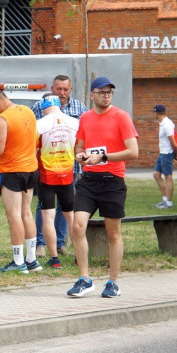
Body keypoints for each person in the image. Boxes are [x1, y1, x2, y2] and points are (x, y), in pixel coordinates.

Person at [67, 77, 139, 299]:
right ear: (92, 95)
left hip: (113, 180)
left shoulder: (121, 117)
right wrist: (80, 154)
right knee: (78, 227)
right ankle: (85, 279)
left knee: (113, 232)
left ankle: (113, 282)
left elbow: (133, 152)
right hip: (89, 180)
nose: (106, 95)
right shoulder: (86, 118)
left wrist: (104, 156)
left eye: (109, 92)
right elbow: (79, 145)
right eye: (102, 92)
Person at [0, 88, 41, 274]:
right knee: (26, 213)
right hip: (30, 169)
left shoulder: (3, 119)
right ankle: (32, 260)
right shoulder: (26, 111)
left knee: (14, 216)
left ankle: (18, 261)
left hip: (13, 171)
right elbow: (23, 137)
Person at [30, 75, 86, 256]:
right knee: (51, 209)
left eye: (66, 89)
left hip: (66, 170)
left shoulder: (79, 108)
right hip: (54, 170)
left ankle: (58, 248)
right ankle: (42, 243)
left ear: (70, 90)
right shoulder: (38, 108)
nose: (62, 92)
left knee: (61, 210)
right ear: (53, 89)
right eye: (59, 89)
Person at [35, 95, 79, 269]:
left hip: (46, 176)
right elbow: (79, 147)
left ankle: (54, 259)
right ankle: (79, 255)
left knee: (48, 216)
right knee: (71, 216)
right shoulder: (74, 123)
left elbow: (34, 149)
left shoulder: (39, 124)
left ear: (44, 107)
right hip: (67, 175)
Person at [152, 104, 177, 209]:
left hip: (167, 153)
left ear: (156, 113)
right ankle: (164, 200)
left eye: (154, 113)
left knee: (168, 177)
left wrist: (176, 154)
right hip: (162, 152)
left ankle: (169, 202)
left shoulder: (167, 124)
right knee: (156, 175)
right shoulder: (162, 123)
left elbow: (173, 142)